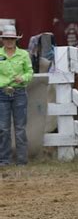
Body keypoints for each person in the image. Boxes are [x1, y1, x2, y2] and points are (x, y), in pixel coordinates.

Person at [0, 25, 33, 166]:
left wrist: (24, 78)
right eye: (6, 38)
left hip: (19, 92)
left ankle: (22, 161)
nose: (9, 41)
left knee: (20, 128)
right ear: (2, 40)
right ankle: (4, 160)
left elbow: (30, 72)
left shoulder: (24, 55)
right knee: (3, 129)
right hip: (2, 93)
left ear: (15, 40)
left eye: (11, 39)